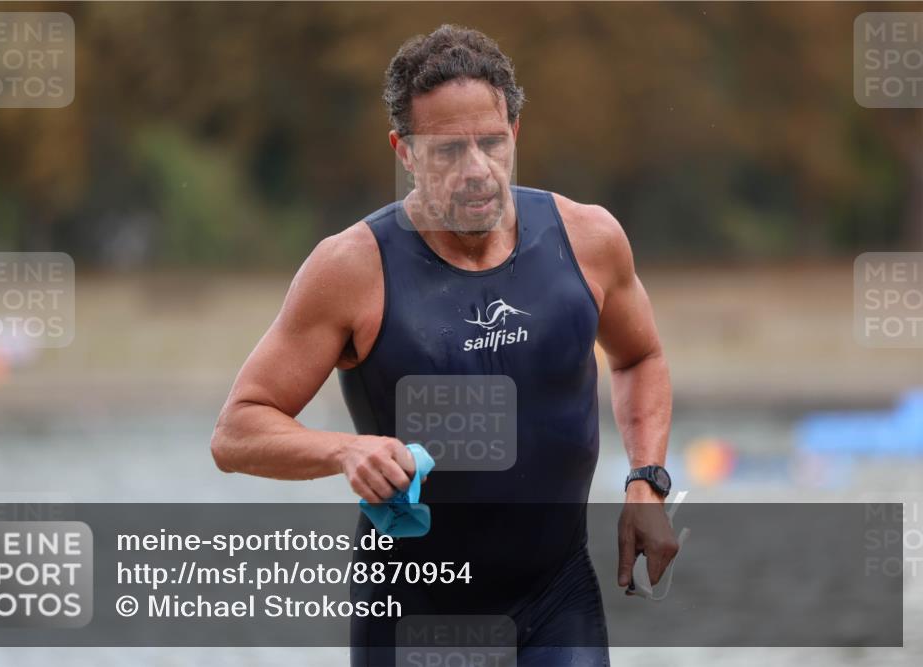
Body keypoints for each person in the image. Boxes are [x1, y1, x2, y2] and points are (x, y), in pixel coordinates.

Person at [211, 23, 678, 667]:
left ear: (514, 132)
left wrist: (645, 482)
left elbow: (639, 357)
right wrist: (346, 451)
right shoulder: (351, 269)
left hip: (557, 596)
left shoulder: (588, 240)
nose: (476, 170)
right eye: (447, 151)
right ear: (403, 151)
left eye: (490, 143)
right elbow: (236, 431)